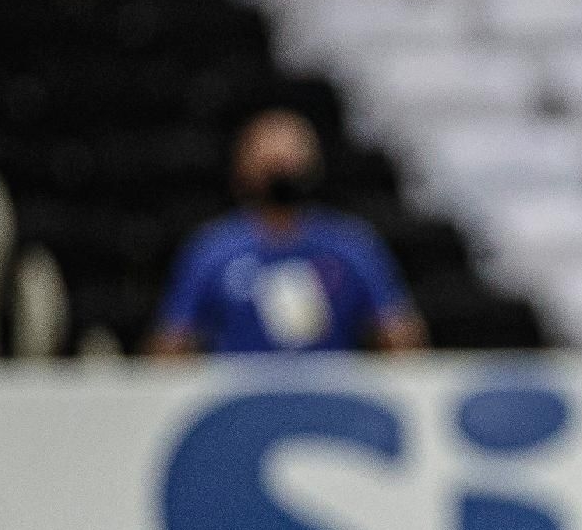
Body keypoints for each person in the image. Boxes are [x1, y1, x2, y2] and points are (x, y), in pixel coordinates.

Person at [149, 110, 425, 355]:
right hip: (239, 401)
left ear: (314, 164)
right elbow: (172, 340)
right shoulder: (213, 248)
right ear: (242, 168)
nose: (281, 170)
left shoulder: (350, 244)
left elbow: (400, 332)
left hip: (328, 399)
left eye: (291, 159)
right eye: (270, 163)